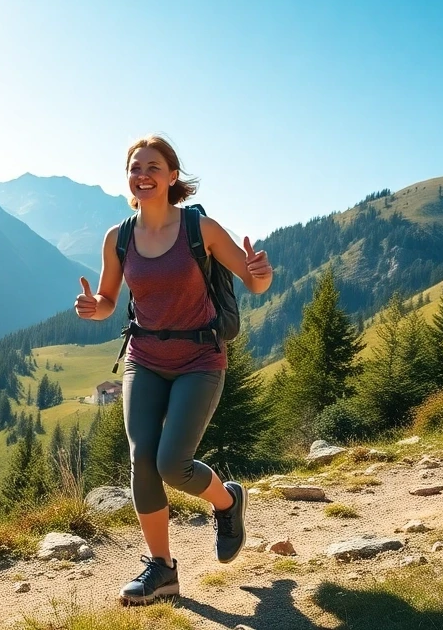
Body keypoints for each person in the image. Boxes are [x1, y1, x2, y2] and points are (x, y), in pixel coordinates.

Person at [75, 135, 273, 605]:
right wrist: (93, 307)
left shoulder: (198, 230)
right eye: (134, 167)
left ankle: (227, 501)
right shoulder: (119, 237)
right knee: (142, 460)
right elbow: (108, 301)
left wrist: (261, 271)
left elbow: (253, 281)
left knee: (172, 464)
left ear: (171, 177)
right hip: (144, 359)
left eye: (152, 167)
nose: (142, 174)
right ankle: (161, 570)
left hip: (199, 360)